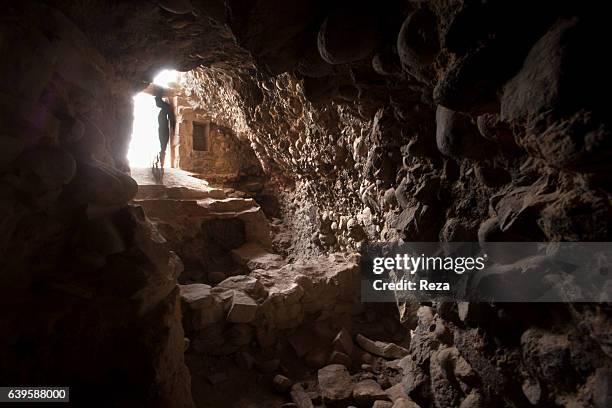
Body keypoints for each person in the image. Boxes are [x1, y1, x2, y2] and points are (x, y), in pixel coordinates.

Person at [155, 94, 176, 170]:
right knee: (163, 145)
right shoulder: (165, 109)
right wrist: (173, 127)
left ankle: (161, 162)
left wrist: (173, 127)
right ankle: (161, 162)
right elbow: (171, 118)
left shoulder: (165, 109)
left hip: (163, 129)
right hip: (163, 129)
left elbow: (171, 118)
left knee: (163, 145)